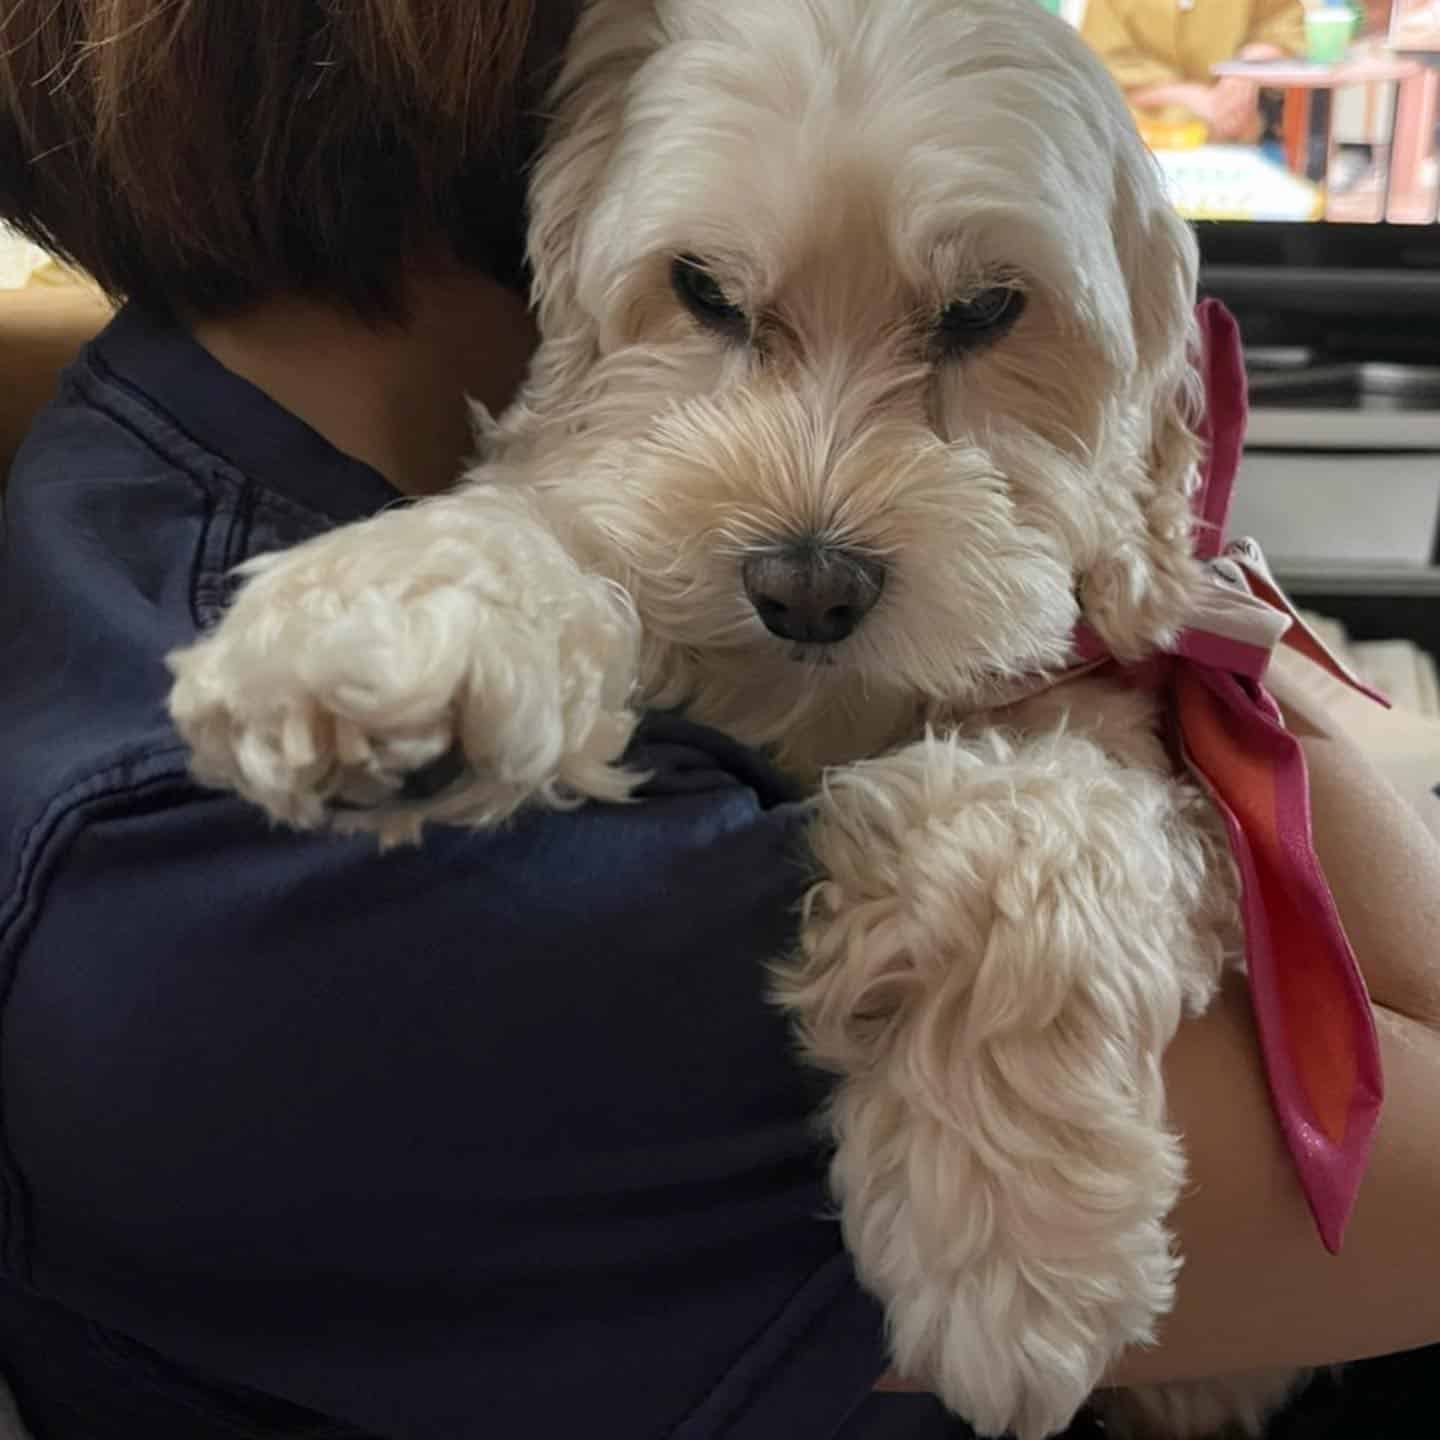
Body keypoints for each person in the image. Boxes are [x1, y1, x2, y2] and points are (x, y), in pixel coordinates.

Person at [1, 3, 1439, 1437]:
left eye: (977, 318)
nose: (815, 534)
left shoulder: (187, 447)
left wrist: (1171, 594)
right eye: (714, 298)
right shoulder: (290, 881)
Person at [1081, 0, 1307, 142]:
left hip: (1241, 131)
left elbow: (1285, 27)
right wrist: (1193, 97)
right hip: (1137, 135)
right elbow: (1103, 66)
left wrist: (1245, 72)